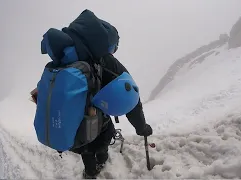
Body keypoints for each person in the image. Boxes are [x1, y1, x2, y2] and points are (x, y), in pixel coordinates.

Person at [32, 9, 153, 179]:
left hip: (71, 130)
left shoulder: (60, 60)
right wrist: (141, 127)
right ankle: (101, 160)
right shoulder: (105, 62)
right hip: (95, 126)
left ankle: (90, 171)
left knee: (85, 149)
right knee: (103, 136)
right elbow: (130, 95)